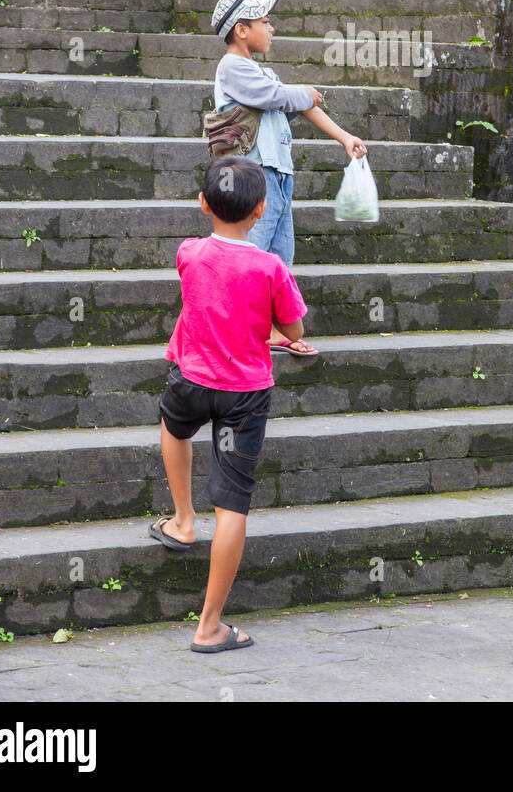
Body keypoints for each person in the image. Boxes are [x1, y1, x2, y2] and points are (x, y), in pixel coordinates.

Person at [151, 155, 308, 653]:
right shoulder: (270, 267)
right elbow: (293, 329)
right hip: (242, 397)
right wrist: (285, 336)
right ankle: (210, 624)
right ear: (261, 210)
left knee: (174, 428)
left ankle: (181, 520)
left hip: (192, 380)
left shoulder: (189, 253)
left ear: (202, 204)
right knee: (232, 499)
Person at [210, 0, 367, 357]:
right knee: (250, 255)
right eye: (265, 22)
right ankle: (235, 332)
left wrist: (344, 137)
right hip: (252, 177)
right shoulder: (232, 67)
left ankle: (275, 332)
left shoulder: (265, 73)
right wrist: (306, 92)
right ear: (241, 30)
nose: (272, 28)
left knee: (279, 257)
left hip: (278, 177)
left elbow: (296, 102)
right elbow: (279, 97)